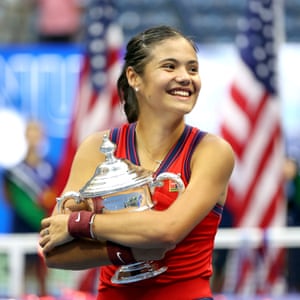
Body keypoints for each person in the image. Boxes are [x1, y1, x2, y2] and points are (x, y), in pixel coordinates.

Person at [39, 25, 235, 300]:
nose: (185, 78)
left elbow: (167, 231)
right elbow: (54, 252)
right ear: (134, 77)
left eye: (192, 69)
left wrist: (78, 222)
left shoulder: (211, 151)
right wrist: (124, 252)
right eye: (169, 67)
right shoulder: (97, 148)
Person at [3, 120, 56, 296]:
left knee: (43, 274)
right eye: (30, 132)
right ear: (25, 135)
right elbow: (10, 200)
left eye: (37, 132)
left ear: (42, 136)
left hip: (45, 229)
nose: (34, 136)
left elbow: (56, 196)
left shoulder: (52, 168)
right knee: (21, 274)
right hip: (21, 228)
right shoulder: (14, 172)